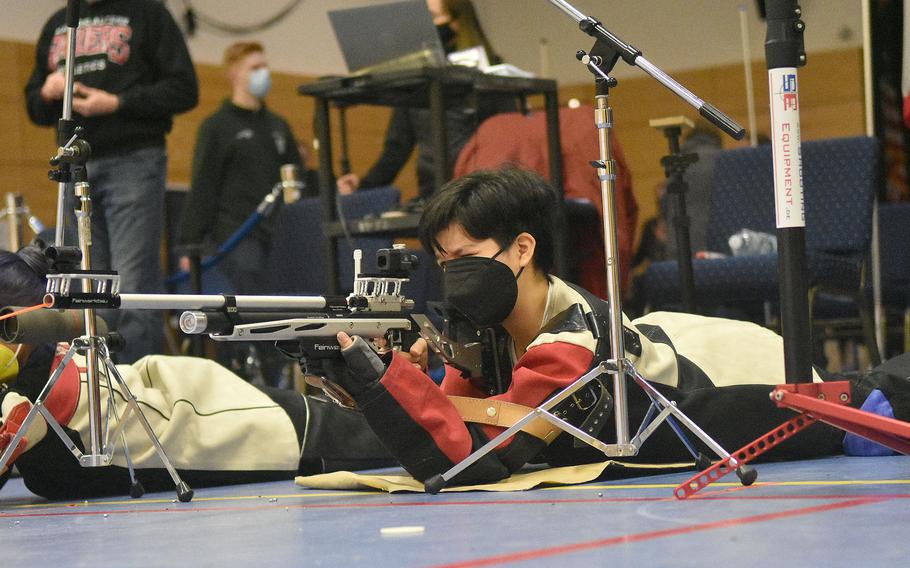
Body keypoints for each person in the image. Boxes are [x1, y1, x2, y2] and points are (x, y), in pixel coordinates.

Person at [326, 167, 910, 486]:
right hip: (682, 353)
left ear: (522, 249)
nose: (453, 277)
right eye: (444, 264)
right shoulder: (484, 334)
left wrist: (383, 376)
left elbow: (484, 454)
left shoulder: (573, 334)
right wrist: (378, 376)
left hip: (731, 372)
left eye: (467, 257)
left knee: (878, 401)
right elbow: (449, 428)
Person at [0, 245, 394, 500]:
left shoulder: (38, 390)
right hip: (220, 415)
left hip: (238, 422)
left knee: (402, 435)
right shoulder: (38, 428)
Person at [24, 0, 199, 364]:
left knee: (133, 283)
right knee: (87, 287)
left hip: (134, 159)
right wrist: (48, 90)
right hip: (74, 164)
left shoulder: (148, 12)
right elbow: (33, 105)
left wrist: (117, 103)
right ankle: (100, 387)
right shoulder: (59, 21)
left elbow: (185, 89)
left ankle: (139, 388)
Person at [335, 0, 509, 207]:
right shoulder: (414, 82)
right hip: (433, 195)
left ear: (457, 22)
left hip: (483, 194)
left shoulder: (493, 73)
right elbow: (396, 148)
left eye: (432, 17)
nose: (424, 27)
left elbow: (507, 138)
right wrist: (363, 186)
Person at [177, 41, 307, 294]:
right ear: (234, 74)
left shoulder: (278, 126)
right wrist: (189, 244)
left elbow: (299, 178)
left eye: (265, 66)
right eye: (255, 67)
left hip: (280, 234)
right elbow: (204, 185)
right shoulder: (216, 126)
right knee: (252, 304)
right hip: (238, 234)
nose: (263, 73)